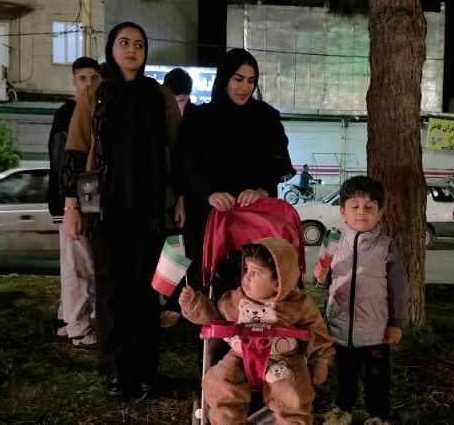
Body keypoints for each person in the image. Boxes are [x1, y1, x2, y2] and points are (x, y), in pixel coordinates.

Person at [60, 21, 181, 400]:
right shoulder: (95, 94)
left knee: (145, 293)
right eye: (124, 43)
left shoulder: (158, 95)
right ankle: (115, 372)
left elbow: (178, 150)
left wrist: (179, 198)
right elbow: (76, 150)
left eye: (139, 44)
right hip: (104, 209)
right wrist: (72, 206)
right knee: (110, 291)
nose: (132, 50)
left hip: (150, 209)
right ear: (112, 48)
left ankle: (145, 371)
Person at [171, 48, 296, 325]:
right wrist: (210, 193)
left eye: (251, 81)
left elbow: (277, 163)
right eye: (238, 79)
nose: (244, 87)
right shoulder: (200, 118)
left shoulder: (265, 117)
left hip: (254, 218)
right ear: (224, 79)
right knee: (213, 276)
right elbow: (188, 164)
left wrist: (261, 190)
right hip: (210, 215)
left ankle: (257, 338)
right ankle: (213, 338)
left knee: (254, 275)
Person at [178, 237, 334, 425]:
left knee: (294, 395)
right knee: (219, 382)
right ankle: (227, 420)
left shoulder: (298, 304)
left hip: (283, 361)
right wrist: (193, 303)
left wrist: (321, 361)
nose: (246, 277)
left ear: (278, 282)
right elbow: (213, 314)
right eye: (245, 269)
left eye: (255, 273)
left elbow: (318, 332)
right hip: (239, 358)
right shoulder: (235, 299)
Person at [314, 175, 409, 425]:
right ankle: (341, 410)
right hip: (340, 327)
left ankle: (378, 415)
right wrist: (320, 278)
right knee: (345, 374)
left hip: (374, 330)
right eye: (354, 206)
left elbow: (399, 289)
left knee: (377, 377)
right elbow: (323, 280)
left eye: (369, 207)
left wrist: (396, 322)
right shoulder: (332, 242)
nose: (361, 212)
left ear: (380, 212)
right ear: (343, 211)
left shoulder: (386, 247)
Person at [48, 56, 101, 348]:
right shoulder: (69, 113)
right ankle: (78, 329)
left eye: (94, 79)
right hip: (72, 204)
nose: (89, 85)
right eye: (83, 79)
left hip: (80, 202)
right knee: (78, 267)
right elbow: (63, 162)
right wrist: (71, 205)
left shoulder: (91, 110)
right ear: (73, 82)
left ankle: (66, 320)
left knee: (75, 265)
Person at [160, 67, 196, 328]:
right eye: (174, 101)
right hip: (166, 193)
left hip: (191, 195)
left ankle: (180, 303)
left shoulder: (196, 118)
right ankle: (170, 300)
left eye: (182, 101)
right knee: (171, 248)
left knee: (186, 247)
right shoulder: (158, 116)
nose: (178, 107)